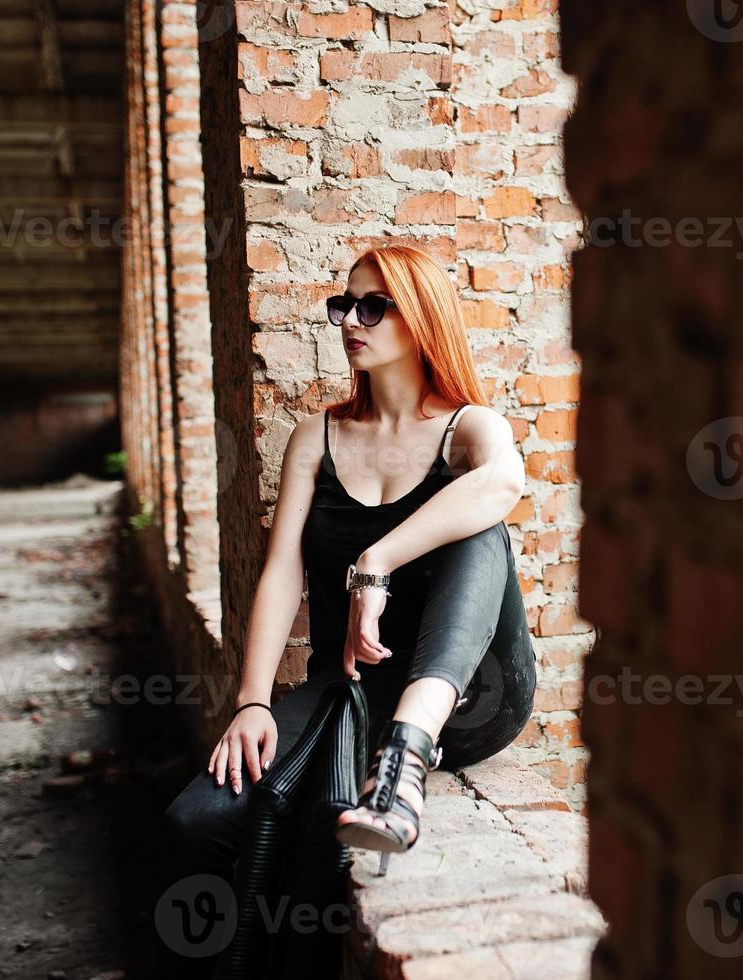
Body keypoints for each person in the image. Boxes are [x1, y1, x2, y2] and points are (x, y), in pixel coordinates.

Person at [156, 244, 538, 976]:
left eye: (372, 306)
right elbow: (279, 576)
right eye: (343, 305)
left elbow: (503, 482)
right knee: (195, 820)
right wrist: (251, 702)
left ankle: (404, 765)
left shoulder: (469, 428)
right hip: (349, 688)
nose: (349, 321)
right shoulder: (317, 438)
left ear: (421, 316)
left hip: (465, 698)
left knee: (479, 522)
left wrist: (374, 564)